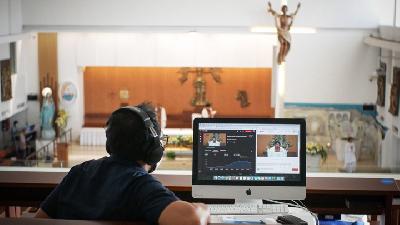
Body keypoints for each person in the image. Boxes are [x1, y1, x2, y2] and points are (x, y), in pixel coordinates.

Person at [35, 103, 210, 225]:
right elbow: (190, 220)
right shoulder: (140, 185)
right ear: (153, 148)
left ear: (109, 144)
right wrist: (202, 209)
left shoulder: (79, 172)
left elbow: (39, 218)